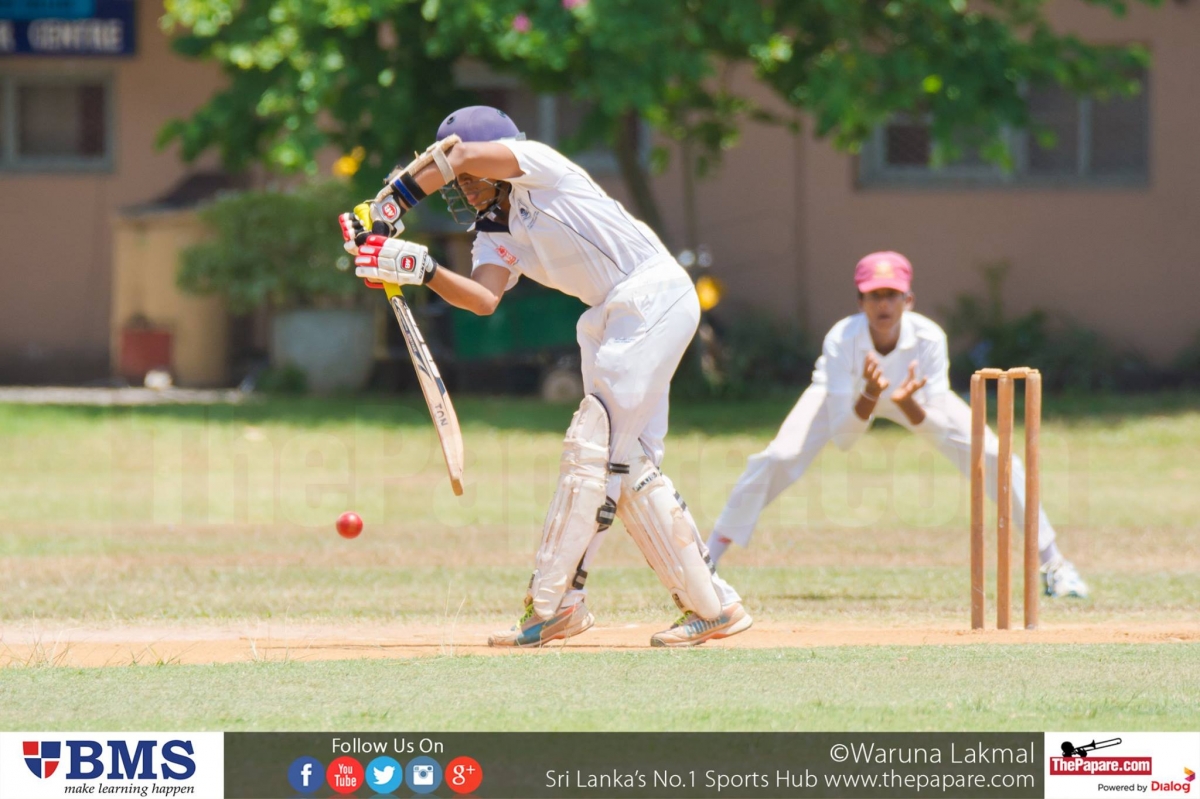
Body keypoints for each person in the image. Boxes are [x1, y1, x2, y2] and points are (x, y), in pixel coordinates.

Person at [340, 106, 753, 647]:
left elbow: (455, 155)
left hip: (652, 295)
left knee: (592, 449)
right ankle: (710, 604)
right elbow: (484, 299)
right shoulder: (494, 233)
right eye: (459, 182)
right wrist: (420, 268)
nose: (463, 186)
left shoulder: (537, 165)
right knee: (623, 464)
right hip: (609, 317)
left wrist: (387, 205)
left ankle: (554, 606)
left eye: (470, 177)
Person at [705, 251, 1089, 599]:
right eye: (874, 295)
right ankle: (707, 561)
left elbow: (938, 427)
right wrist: (870, 394)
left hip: (914, 397)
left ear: (909, 300)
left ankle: (1054, 564)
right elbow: (844, 438)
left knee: (994, 455)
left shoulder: (929, 338)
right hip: (845, 397)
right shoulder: (841, 339)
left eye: (892, 294)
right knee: (780, 456)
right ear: (860, 302)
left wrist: (907, 404)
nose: (884, 304)